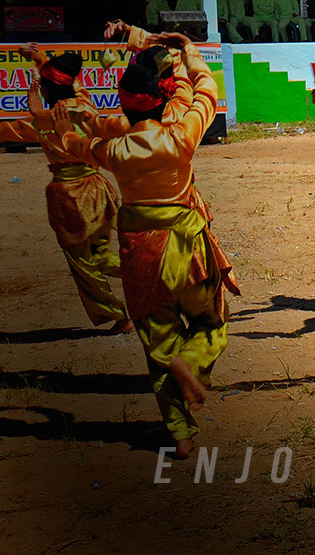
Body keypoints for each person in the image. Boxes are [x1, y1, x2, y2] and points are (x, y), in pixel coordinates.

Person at [54, 29, 238, 457]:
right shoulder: (181, 133)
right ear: (163, 96)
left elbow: (83, 145)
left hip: (139, 249)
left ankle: (181, 434)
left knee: (158, 340)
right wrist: (190, 51)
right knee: (211, 325)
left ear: (125, 103)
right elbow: (207, 89)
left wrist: (64, 133)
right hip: (185, 247)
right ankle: (190, 365)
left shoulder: (115, 147)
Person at [0, 47, 129, 332]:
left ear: (46, 91)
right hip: (99, 190)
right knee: (105, 256)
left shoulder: (44, 124)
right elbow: (72, 84)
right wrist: (41, 61)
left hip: (71, 199)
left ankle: (120, 316)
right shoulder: (85, 106)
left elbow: (9, 131)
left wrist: (39, 114)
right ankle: (163, 282)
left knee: (82, 262)